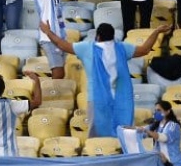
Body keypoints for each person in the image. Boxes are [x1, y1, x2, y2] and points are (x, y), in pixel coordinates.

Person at [41, 22, 169, 137]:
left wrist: (47, 31)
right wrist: (156, 31)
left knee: (99, 138)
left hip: (97, 100)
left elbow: (61, 44)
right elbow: (145, 49)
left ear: (98, 37)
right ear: (113, 37)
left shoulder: (87, 48)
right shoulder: (122, 48)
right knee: (123, 136)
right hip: (122, 100)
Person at [35, 0, 81, 80]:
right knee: (58, 72)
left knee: (63, 73)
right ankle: (51, 96)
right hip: (48, 37)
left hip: (60, 35)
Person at [138, 101, 181, 166]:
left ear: (168, 111)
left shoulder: (173, 125)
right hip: (160, 164)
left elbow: (164, 138)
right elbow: (141, 131)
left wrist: (147, 131)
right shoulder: (155, 125)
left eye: (159, 110)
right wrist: (127, 128)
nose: (156, 112)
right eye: (155, 110)